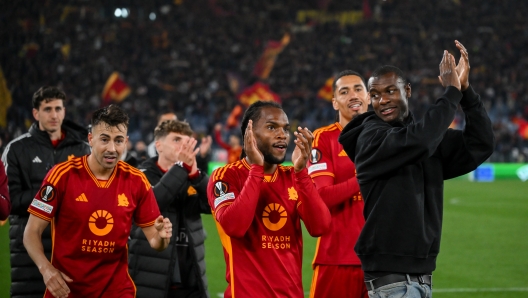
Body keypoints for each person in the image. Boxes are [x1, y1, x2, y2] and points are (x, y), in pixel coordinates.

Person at [338, 41, 494, 298]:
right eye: (375, 95)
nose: (382, 100)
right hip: (392, 280)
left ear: (407, 90)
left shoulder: (421, 138)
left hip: (420, 277)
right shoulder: (370, 137)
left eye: (390, 91)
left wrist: (465, 91)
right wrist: (451, 91)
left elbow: (481, 143)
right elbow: (421, 140)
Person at [23, 104, 172, 298]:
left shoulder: (137, 181)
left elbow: (156, 241)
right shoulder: (62, 175)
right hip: (67, 291)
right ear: (90, 139)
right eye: (104, 139)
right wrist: (46, 269)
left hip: (116, 291)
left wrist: (162, 236)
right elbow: (31, 232)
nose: (112, 148)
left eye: (118, 141)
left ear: (126, 142)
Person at [207, 100, 332, 298]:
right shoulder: (226, 176)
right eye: (272, 127)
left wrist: (301, 173)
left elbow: (320, 227)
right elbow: (234, 227)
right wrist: (256, 169)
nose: (282, 134)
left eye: (285, 128)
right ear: (249, 133)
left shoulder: (293, 177)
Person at [1, 86, 91, 298]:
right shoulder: (16, 149)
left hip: (73, 247)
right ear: (36, 113)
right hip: (29, 251)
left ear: (64, 111)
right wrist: (52, 197)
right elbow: (10, 201)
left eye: (58, 109)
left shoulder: (82, 150)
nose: (54, 115)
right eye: (48, 109)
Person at [129, 119, 211, 298]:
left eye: (186, 141)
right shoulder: (140, 174)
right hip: (153, 280)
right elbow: (153, 204)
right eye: (176, 140)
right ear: (158, 145)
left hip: (191, 280)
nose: (183, 146)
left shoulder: (190, 176)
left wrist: (197, 176)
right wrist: (181, 168)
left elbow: (212, 205)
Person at [308, 70, 369, 298]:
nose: (353, 95)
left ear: (369, 97)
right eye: (344, 92)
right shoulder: (324, 138)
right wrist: (365, 176)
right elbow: (322, 197)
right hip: (336, 258)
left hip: (381, 259)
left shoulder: (387, 136)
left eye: (358, 89)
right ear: (335, 103)